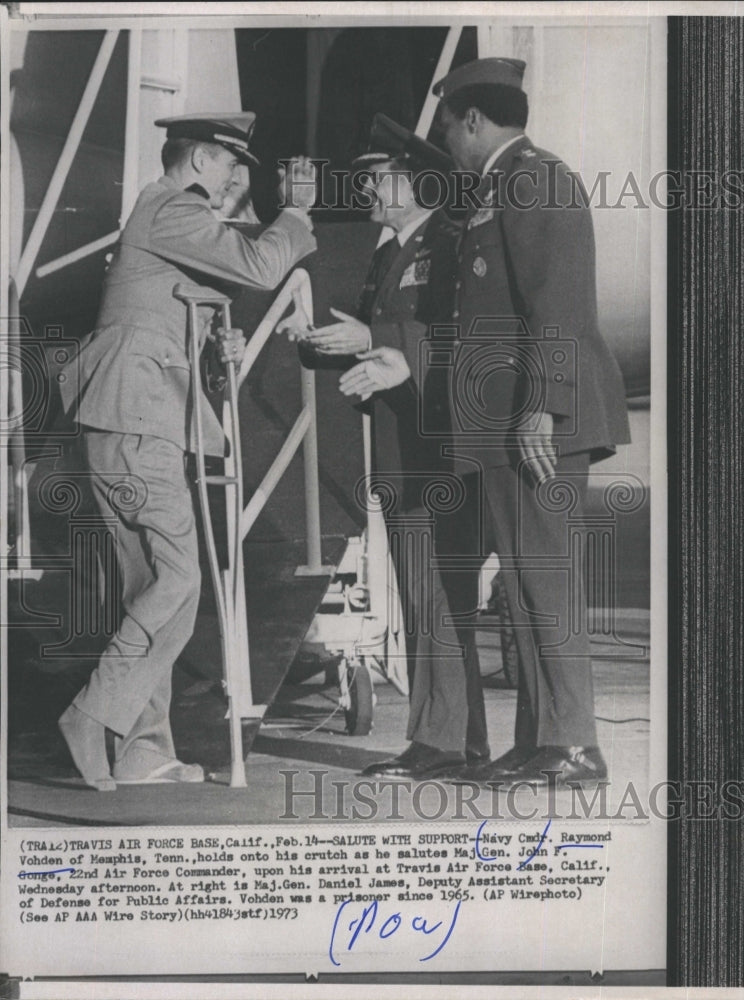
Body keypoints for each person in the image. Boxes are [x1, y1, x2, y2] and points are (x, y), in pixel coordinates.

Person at [57, 112, 317, 790]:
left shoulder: (163, 220)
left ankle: (141, 751)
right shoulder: (173, 210)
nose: (235, 180)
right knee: (179, 580)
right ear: (200, 161)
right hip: (138, 419)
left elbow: (173, 315)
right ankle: (93, 711)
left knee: (152, 586)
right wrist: (295, 213)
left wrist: (213, 349)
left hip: (130, 417)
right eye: (231, 165)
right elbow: (262, 265)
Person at [430, 57, 631, 787]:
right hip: (506, 418)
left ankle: (574, 744)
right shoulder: (502, 186)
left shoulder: (535, 178)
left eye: (448, 129)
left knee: (545, 578)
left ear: (472, 120)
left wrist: (543, 405)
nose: (447, 144)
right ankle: (541, 742)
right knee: (521, 583)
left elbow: (559, 303)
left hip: (536, 417)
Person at [291, 115, 487, 779]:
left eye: (379, 178)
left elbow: (464, 336)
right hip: (403, 452)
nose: (367, 189)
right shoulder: (389, 252)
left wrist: (376, 337)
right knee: (425, 599)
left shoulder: (449, 243)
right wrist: (318, 343)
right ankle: (451, 740)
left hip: (440, 450)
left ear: (416, 183)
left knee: (437, 599)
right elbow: (376, 341)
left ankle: (443, 744)